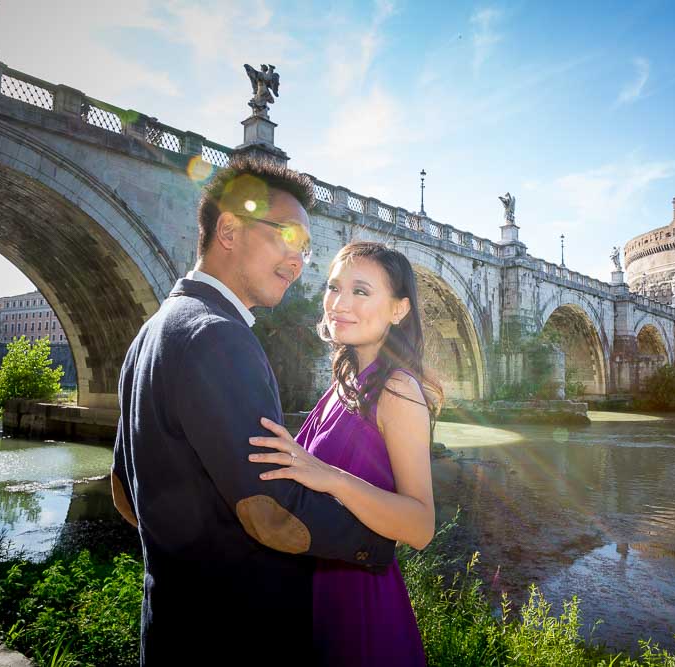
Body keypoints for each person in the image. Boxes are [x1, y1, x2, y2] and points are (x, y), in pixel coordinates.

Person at [111, 156, 396, 665]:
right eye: (286, 236)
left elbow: (123, 491)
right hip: (237, 636)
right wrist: (379, 543)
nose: (298, 260)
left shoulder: (152, 331)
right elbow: (272, 511)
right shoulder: (219, 336)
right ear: (228, 229)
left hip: (171, 627)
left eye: (306, 248)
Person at [248, 242, 442, 666]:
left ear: (398, 310)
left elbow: (421, 526)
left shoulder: (397, 390)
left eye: (360, 291)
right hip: (315, 593)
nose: (339, 303)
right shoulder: (347, 381)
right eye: (334, 288)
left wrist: (330, 477)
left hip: (360, 604)